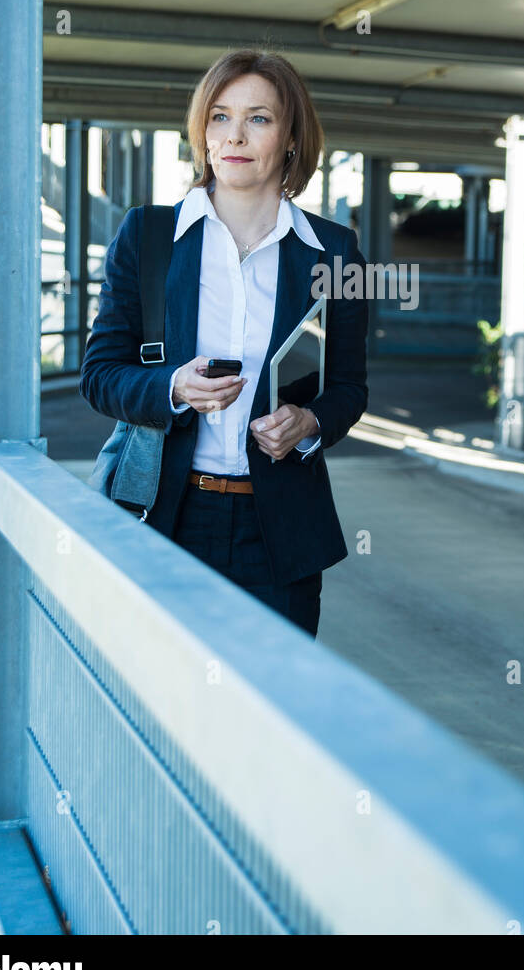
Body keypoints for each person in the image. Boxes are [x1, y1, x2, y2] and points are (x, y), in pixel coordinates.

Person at [79, 50, 369, 638]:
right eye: (219, 116)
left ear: (291, 138)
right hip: (164, 515)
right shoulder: (149, 236)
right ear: (202, 132)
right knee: (158, 708)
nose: (235, 135)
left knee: (273, 708)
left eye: (258, 118)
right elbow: (100, 375)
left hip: (280, 530)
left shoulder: (335, 252)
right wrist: (172, 388)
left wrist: (307, 422)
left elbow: (348, 389)